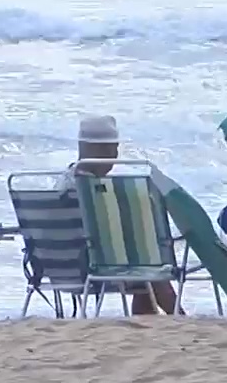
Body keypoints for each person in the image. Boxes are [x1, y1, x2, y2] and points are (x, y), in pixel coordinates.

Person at [74, 115, 178, 315]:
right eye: (112, 149)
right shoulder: (95, 192)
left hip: (60, 269)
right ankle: (180, 319)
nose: (114, 155)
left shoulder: (63, 185)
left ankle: (147, 327)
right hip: (97, 266)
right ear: (100, 150)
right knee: (150, 267)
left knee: (144, 269)